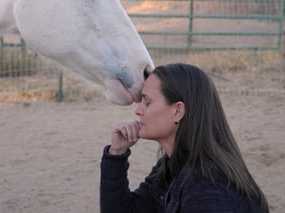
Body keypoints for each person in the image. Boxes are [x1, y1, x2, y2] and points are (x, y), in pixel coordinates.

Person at [100, 63, 269, 212]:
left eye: (147, 102)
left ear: (178, 111)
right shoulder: (173, 166)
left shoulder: (207, 191)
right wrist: (116, 154)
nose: (138, 111)